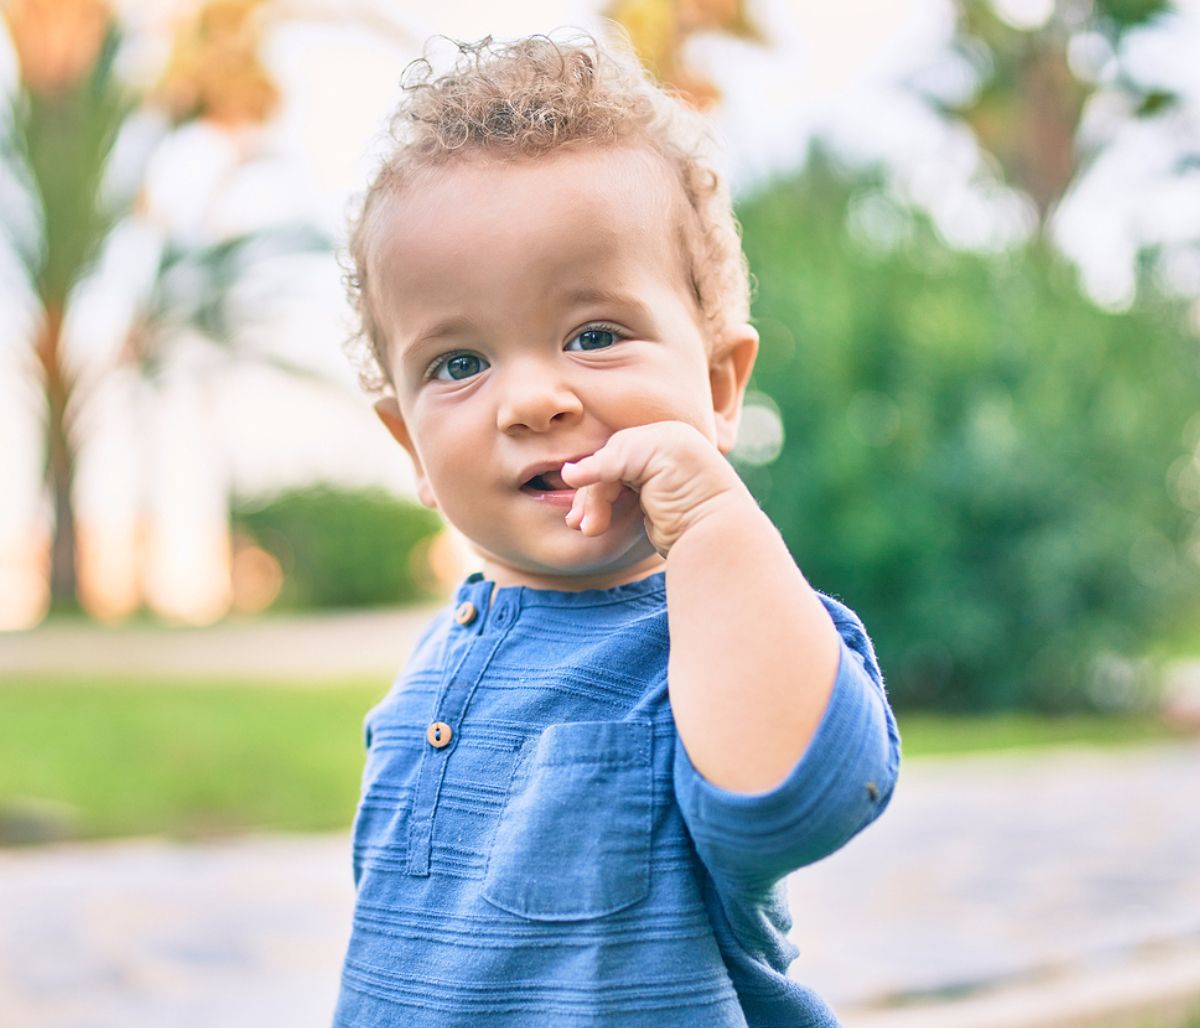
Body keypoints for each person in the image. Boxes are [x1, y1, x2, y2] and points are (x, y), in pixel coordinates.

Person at [333, 31, 900, 1028]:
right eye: (459, 363)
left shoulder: (717, 628)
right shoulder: (430, 670)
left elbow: (808, 795)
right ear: (409, 444)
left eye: (594, 336)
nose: (533, 399)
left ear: (720, 385)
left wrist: (715, 519)